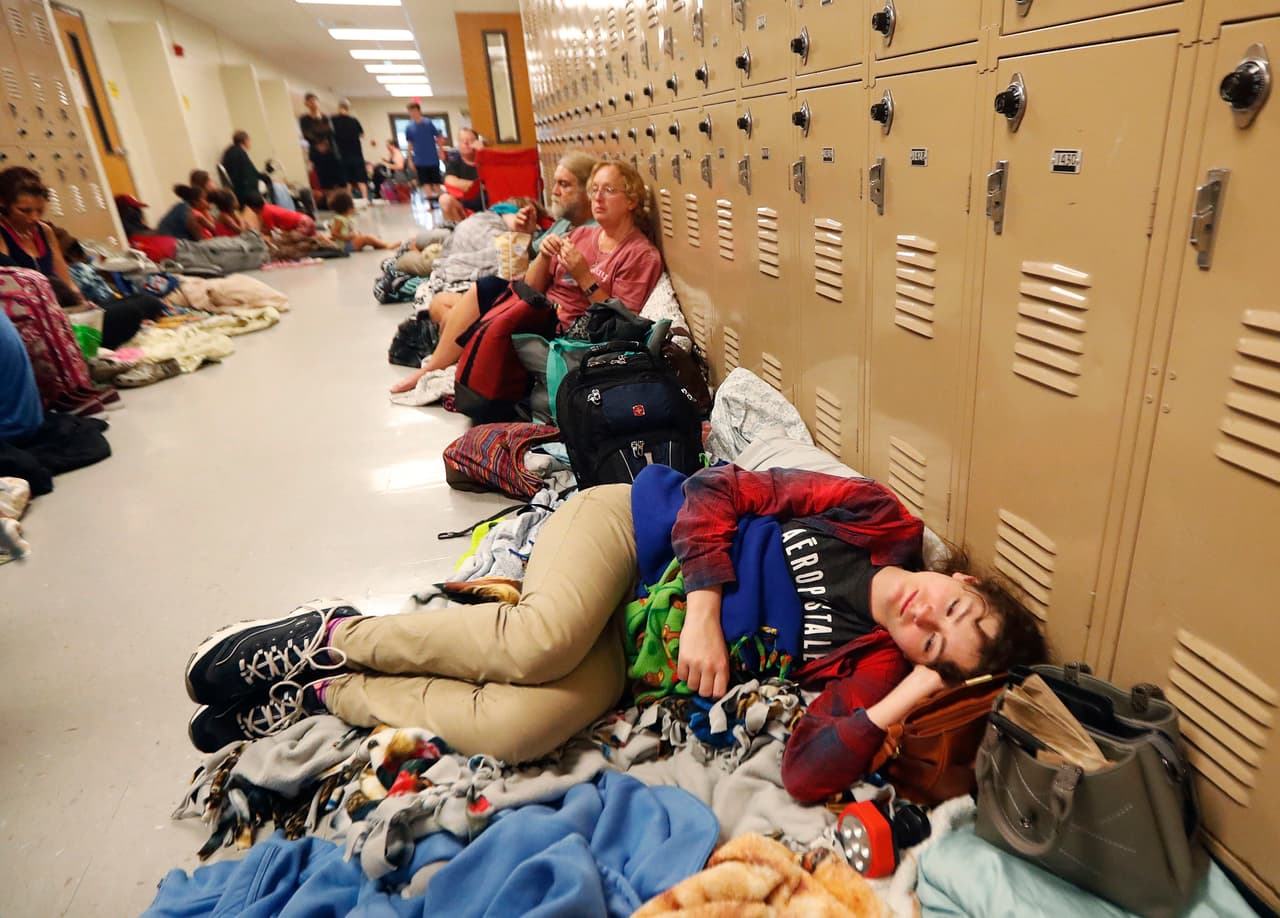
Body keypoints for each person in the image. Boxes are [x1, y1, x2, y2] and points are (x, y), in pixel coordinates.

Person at [182, 464, 1049, 782]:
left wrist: (916, 692)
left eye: (934, 646)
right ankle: (330, 634)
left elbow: (808, 773)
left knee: (523, 727)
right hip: (631, 539)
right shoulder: (872, 517)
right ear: (959, 576)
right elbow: (721, 489)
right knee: (537, 642)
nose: (924, 617)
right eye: (952, 606)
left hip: (634, 650)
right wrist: (706, 604)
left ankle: (329, 694)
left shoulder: (874, 666)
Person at [390, 159, 659, 393]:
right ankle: (433, 367)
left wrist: (584, 277)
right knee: (482, 290)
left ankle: (454, 353)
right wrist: (543, 255)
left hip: (567, 330)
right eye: (595, 189)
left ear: (632, 200)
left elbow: (624, 326)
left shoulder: (640, 255)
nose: (598, 198)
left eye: (609, 190)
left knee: (471, 312)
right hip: (539, 309)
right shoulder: (582, 234)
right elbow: (530, 286)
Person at [299, 93, 347, 205]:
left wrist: (324, 140)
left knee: (340, 180)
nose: (313, 103)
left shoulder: (325, 117)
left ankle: (342, 203)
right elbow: (307, 134)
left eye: (315, 100)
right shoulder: (304, 119)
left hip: (332, 152)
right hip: (317, 154)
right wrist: (318, 142)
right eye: (310, 101)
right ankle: (331, 203)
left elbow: (330, 132)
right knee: (325, 181)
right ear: (306, 103)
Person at [438, 126, 484, 223]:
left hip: (489, 209)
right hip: (463, 211)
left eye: (470, 140)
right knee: (444, 199)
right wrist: (478, 185)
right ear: (458, 145)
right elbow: (449, 180)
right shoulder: (454, 162)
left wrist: (482, 153)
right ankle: (457, 234)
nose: (466, 143)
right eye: (462, 140)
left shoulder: (485, 160)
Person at [326, 191, 395, 252]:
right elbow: (334, 234)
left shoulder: (347, 218)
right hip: (345, 246)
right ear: (348, 208)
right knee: (367, 238)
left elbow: (347, 231)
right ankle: (387, 245)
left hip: (348, 242)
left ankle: (379, 244)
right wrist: (347, 238)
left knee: (369, 237)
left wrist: (355, 234)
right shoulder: (339, 219)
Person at [221, 131, 269, 209]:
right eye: (249, 141)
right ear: (245, 140)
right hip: (244, 193)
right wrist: (268, 179)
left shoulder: (230, 151)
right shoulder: (240, 153)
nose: (250, 143)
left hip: (239, 189)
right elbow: (252, 173)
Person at [403, 102, 441, 197]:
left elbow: (438, 137)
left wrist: (440, 151)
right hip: (420, 160)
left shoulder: (428, 123)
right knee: (425, 183)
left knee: (436, 183)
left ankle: (442, 201)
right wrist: (410, 160)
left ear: (419, 111)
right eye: (410, 111)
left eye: (414, 111)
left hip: (432, 158)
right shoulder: (409, 127)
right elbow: (410, 144)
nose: (412, 113)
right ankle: (430, 205)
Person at [330, 101, 367, 198]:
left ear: (339, 108)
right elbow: (362, 135)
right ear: (348, 109)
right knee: (361, 180)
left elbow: (330, 134)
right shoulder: (354, 120)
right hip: (356, 154)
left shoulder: (333, 120)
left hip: (342, 155)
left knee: (347, 181)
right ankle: (365, 199)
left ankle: (349, 201)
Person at [244, 193, 316, 237]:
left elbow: (273, 232)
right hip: (306, 219)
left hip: (302, 224)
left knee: (288, 241)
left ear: (252, 208)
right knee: (313, 238)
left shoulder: (265, 213)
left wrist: (257, 232)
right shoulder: (268, 207)